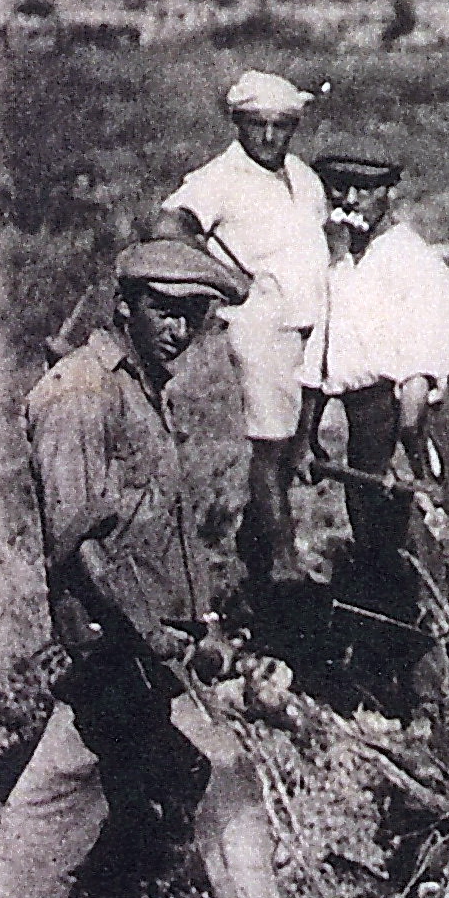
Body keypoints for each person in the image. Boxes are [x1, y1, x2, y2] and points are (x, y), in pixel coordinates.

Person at [0, 238, 316, 898]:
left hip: (146, 655)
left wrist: (199, 628)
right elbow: (79, 550)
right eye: (162, 310)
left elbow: (152, 530)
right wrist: (154, 636)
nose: (178, 329)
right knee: (65, 808)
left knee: (141, 790)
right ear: (124, 307)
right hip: (118, 653)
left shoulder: (141, 389)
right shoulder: (78, 393)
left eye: (194, 315)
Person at [160, 69, 332, 580]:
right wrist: (220, 277)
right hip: (261, 322)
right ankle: (283, 559)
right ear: (239, 123)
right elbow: (171, 225)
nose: (270, 137)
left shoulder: (303, 176)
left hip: (311, 321)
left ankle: (256, 537)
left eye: (282, 126)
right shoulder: (219, 179)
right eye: (258, 125)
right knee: (271, 441)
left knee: (300, 438)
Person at [301, 145, 449, 555]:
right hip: (361, 418)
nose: (351, 201)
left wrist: (411, 429)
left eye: (363, 190)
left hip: (407, 417)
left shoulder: (410, 259)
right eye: (341, 190)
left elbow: (432, 351)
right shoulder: (340, 268)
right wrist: (307, 433)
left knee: (413, 526)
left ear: (389, 193)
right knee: (368, 522)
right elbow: (321, 355)